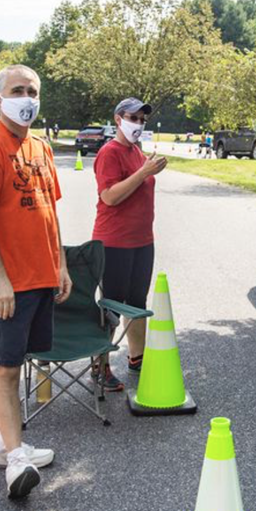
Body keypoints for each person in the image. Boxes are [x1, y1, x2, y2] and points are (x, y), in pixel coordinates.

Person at [0, 64, 71, 500]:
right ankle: (16, 458)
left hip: (40, 276)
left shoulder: (40, 146)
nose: (27, 98)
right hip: (7, 284)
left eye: (33, 91)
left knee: (19, 358)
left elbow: (50, 211)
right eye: (18, 90)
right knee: (4, 368)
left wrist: (59, 265)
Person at [92, 97, 167, 391]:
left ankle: (138, 358)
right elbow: (109, 196)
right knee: (110, 306)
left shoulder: (137, 152)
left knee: (136, 304)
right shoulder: (109, 152)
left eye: (141, 119)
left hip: (141, 241)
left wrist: (146, 169)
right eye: (132, 118)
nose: (138, 123)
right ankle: (101, 365)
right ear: (118, 119)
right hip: (114, 242)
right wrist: (144, 173)